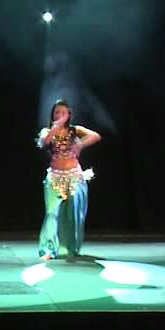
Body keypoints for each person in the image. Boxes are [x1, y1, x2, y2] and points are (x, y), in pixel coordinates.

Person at [36, 99, 101, 260]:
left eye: (63, 113)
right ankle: (48, 249)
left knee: (74, 215)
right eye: (57, 112)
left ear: (69, 115)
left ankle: (71, 248)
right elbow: (44, 143)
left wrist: (80, 143)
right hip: (55, 178)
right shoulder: (47, 131)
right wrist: (55, 127)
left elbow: (95, 136)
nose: (60, 115)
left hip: (74, 177)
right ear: (52, 114)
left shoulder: (74, 130)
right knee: (51, 213)